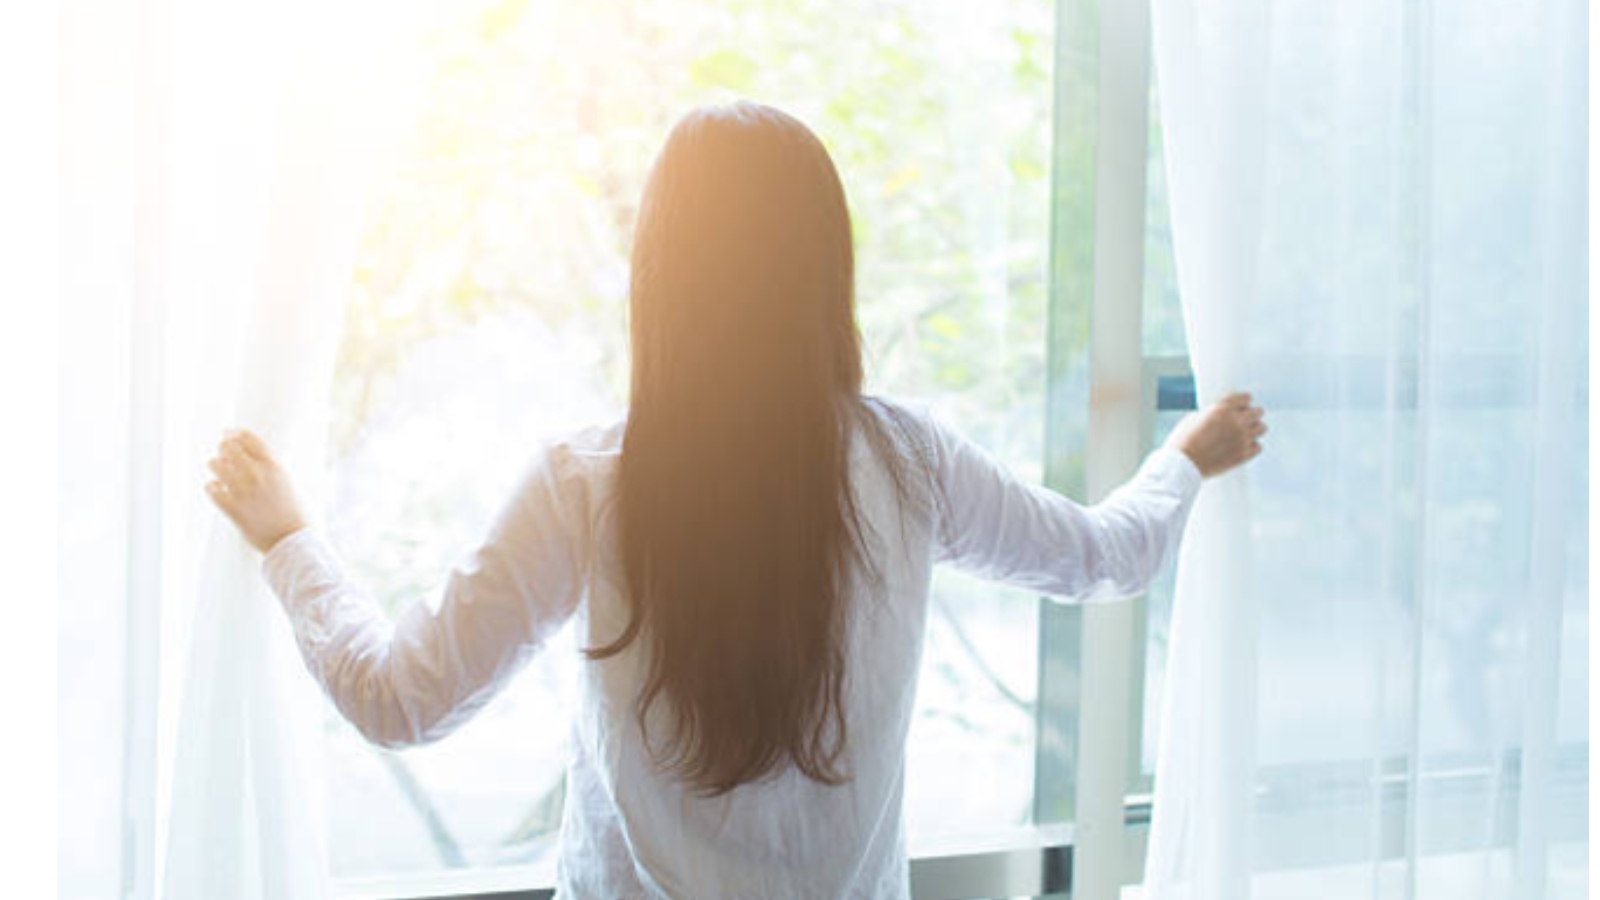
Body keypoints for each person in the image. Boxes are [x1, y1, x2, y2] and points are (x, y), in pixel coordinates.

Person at [205, 101, 1265, 900]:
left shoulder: (589, 483)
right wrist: (1184, 456)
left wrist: (290, 537)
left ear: (659, 277)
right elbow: (1101, 559)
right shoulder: (908, 463)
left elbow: (404, 698)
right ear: (823, 271)